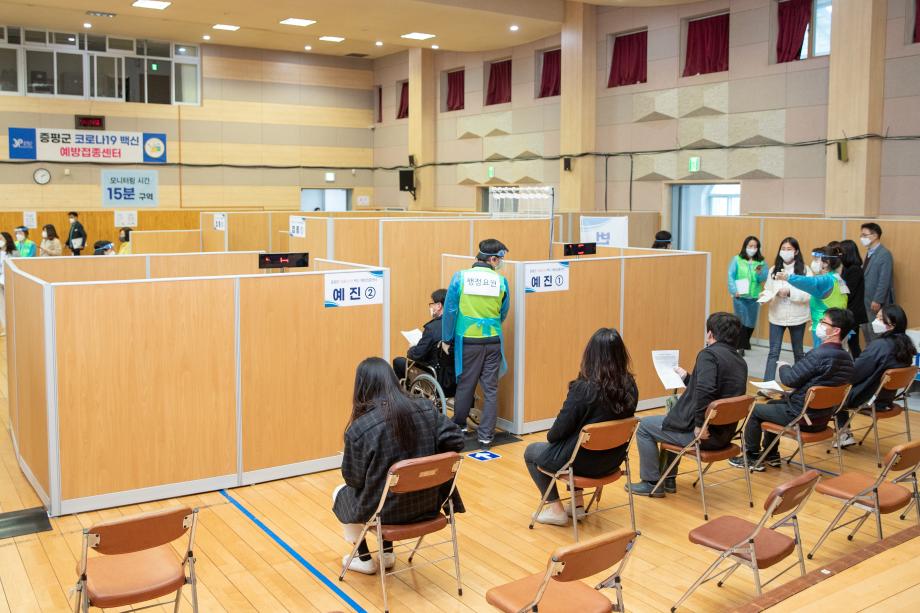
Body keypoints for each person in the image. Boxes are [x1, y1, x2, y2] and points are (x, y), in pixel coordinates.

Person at [332, 357, 464, 575]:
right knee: (390, 485)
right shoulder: (426, 408)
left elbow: (353, 480)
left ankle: (363, 558)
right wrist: (428, 455)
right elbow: (457, 441)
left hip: (386, 515)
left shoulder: (360, 429)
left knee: (340, 492)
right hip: (429, 504)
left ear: (361, 387)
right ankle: (386, 554)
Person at [524, 328, 638, 525]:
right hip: (612, 461)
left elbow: (556, 433)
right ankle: (577, 505)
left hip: (581, 463)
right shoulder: (630, 387)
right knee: (578, 441)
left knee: (532, 452)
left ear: (591, 355)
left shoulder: (584, 389)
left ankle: (556, 509)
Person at [627, 312, 747, 496]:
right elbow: (716, 391)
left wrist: (700, 425)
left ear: (710, 334)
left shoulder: (709, 355)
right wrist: (687, 377)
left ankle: (651, 483)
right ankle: (668, 480)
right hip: (724, 435)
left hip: (704, 435)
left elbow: (706, 391)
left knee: (645, 427)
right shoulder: (740, 361)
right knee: (673, 419)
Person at [730, 307, 855, 470]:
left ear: (836, 330)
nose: (819, 324)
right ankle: (771, 455)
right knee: (772, 405)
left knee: (755, 410)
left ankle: (751, 457)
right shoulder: (847, 358)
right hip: (822, 418)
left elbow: (790, 379)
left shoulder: (819, 354)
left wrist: (783, 366)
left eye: (823, 322)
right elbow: (822, 384)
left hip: (801, 416)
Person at [443, 238, 510, 448]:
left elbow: (450, 310)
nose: (500, 263)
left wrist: (446, 337)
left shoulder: (460, 277)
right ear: (493, 259)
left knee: (466, 384)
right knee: (490, 389)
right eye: (500, 259)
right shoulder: (501, 281)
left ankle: (460, 425)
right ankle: (486, 436)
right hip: (493, 340)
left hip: (469, 340)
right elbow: (503, 311)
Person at [835, 304, 917, 447]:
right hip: (887, 398)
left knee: (833, 391)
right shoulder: (906, 344)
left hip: (868, 398)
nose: (875, 321)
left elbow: (854, 374)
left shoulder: (880, 346)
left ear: (891, 324)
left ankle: (842, 433)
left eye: (879, 318)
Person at [776, 244, 848, 347]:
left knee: (822, 356)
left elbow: (810, 282)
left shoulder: (826, 280)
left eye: (817, 260)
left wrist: (789, 277)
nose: (814, 262)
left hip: (825, 328)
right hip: (837, 326)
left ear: (826, 263)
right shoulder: (838, 278)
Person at [760, 237, 811, 381]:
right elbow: (768, 288)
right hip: (776, 316)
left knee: (798, 352)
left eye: (789, 249)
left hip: (798, 317)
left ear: (796, 252)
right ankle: (767, 385)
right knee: (773, 352)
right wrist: (764, 296)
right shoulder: (773, 269)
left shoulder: (805, 270)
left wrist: (789, 293)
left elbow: (808, 294)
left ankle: (800, 384)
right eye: (783, 249)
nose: (785, 251)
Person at [393, 289, 455, 395]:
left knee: (398, 361)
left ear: (439, 306)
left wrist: (412, 348)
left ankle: (406, 397)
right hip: (454, 379)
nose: (431, 307)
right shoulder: (456, 324)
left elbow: (416, 355)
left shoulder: (432, 328)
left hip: (435, 378)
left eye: (432, 304)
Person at [728, 236, 767, 355]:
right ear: (745, 246)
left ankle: (745, 342)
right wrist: (734, 290)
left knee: (751, 322)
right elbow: (731, 275)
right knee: (740, 321)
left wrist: (760, 273)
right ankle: (741, 347)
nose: (753, 248)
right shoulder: (737, 259)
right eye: (750, 246)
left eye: (755, 246)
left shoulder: (761, 262)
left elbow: (763, 278)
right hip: (740, 296)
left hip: (754, 296)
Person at [860, 223, 894, 345]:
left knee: (877, 334)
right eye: (861, 235)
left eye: (864, 235)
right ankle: (870, 355)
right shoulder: (869, 252)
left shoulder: (884, 254)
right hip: (865, 300)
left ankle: (877, 355)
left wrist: (878, 300)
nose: (862, 238)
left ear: (874, 236)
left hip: (875, 302)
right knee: (867, 333)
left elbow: (884, 280)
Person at [833, 239, 866, 357]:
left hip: (853, 312)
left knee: (853, 343)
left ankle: (858, 363)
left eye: (841, 252)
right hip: (849, 311)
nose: (839, 255)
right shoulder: (846, 268)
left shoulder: (854, 269)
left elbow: (848, 291)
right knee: (851, 343)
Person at [0, 232, 17, 336]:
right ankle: (5, 328)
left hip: (9, 280)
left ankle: (13, 327)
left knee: (11, 304)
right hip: (0, 280)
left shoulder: (14, 252)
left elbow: (18, 267)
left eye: (1, 238)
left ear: (7, 239)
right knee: (1, 305)